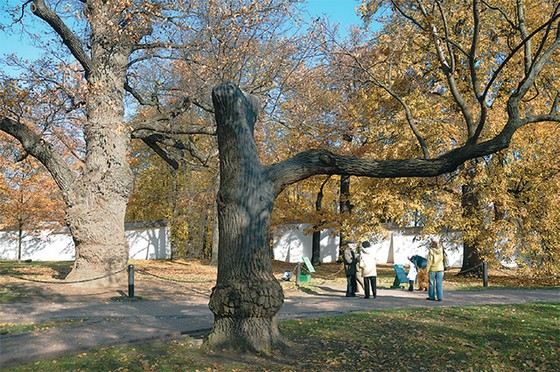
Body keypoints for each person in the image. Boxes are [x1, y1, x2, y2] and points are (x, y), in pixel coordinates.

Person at [426, 237, 445, 301]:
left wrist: (427, 270)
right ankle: (440, 297)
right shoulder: (441, 249)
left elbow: (429, 261)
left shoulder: (431, 250)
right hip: (440, 269)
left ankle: (432, 297)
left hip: (433, 269)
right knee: (439, 283)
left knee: (431, 283)